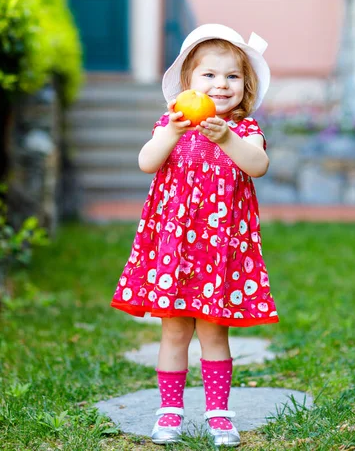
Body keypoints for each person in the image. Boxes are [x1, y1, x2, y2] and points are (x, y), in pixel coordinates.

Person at [111, 24, 279, 446]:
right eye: (209, 75)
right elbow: (147, 162)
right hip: (176, 250)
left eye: (232, 77)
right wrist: (170, 131)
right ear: (188, 83)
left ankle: (219, 414)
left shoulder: (243, 130)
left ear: (246, 85)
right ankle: (169, 411)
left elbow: (257, 165)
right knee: (173, 332)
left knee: (214, 332)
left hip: (220, 250)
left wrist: (225, 139)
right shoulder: (172, 124)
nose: (221, 85)